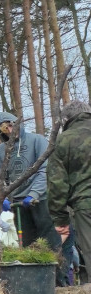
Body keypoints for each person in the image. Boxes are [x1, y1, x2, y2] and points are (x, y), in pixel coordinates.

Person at [0, 111, 62, 255]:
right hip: (19, 203)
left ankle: (58, 276)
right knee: (28, 245)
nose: (10, 130)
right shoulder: (1, 150)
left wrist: (34, 194)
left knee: (50, 242)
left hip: (41, 199)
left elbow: (45, 169)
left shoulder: (37, 140)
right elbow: (1, 177)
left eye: (12, 125)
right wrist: (3, 198)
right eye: (5, 128)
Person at [47, 100, 91, 281]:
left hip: (86, 204)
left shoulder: (64, 140)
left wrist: (60, 218)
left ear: (66, 119)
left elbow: (57, 184)